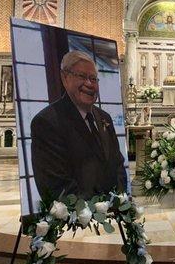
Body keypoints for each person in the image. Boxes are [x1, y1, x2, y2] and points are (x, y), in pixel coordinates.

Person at [31, 51, 127, 200]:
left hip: (112, 214)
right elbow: (55, 184)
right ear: (64, 78)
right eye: (82, 76)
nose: (89, 84)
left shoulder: (104, 117)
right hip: (78, 219)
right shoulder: (47, 122)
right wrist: (96, 210)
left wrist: (119, 200)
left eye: (93, 79)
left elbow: (118, 164)